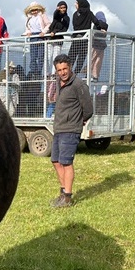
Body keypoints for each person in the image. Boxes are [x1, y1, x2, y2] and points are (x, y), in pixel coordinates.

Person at [50, 54, 92, 208]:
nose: (62, 72)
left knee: (66, 162)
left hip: (70, 129)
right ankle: (63, 192)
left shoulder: (79, 85)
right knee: (55, 161)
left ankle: (67, 198)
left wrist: (78, 122)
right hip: (59, 128)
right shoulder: (59, 82)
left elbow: (88, 109)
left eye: (65, 68)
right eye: (59, 70)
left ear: (70, 67)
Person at [66, 0, 107, 76]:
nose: (75, 4)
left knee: (71, 56)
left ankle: (68, 72)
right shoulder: (89, 13)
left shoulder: (75, 14)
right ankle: (75, 73)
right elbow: (96, 22)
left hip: (76, 38)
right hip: (85, 38)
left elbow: (75, 26)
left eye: (76, 3)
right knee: (81, 57)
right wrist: (102, 28)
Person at [23, 1, 50, 78]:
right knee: (33, 56)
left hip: (40, 36)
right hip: (33, 37)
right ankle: (34, 72)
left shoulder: (42, 15)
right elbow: (27, 27)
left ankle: (39, 71)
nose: (34, 11)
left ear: (38, 9)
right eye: (32, 10)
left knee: (40, 56)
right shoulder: (29, 18)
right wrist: (28, 32)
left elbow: (48, 24)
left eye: (36, 10)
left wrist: (43, 32)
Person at [44, 1, 70, 74]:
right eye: (61, 8)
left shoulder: (66, 18)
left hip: (58, 40)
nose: (63, 9)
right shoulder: (56, 17)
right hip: (50, 38)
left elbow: (64, 29)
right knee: (48, 56)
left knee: (56, 57)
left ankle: (54, 73)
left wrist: (55, 32)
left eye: (64, 7)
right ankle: (46, 73)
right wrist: (57, 10)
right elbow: (55, 15)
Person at [90, 11, 108, 81]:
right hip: (102, 46)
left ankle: (89, 74)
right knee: (98, 61)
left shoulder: (97, 24)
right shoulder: (105, 24)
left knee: (92, 60)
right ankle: (95, 76)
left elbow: (94, 34)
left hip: (95, 45)